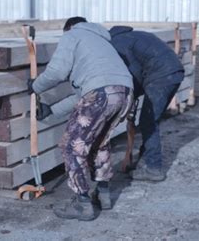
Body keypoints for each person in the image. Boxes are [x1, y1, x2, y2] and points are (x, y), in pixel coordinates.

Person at [27, 17, 133, 221]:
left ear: (69, 27)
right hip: (124, 93)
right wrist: (52, 110)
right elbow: (84, 96)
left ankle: (82, 204)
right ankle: (103, 196)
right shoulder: (101, 42)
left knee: (71, 146)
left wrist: (35, 86)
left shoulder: (73, 35)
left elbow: (57, 72)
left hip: (102, 94)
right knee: (99, 143)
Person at [109, 26, 185, 182]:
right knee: (150, 120)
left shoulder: (117, 43)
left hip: (161, 76)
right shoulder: (136, 35)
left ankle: (153, 168)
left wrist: (130, 95)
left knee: (148, 121)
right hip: (174, 73)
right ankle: (146, 160)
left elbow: (134, 72)